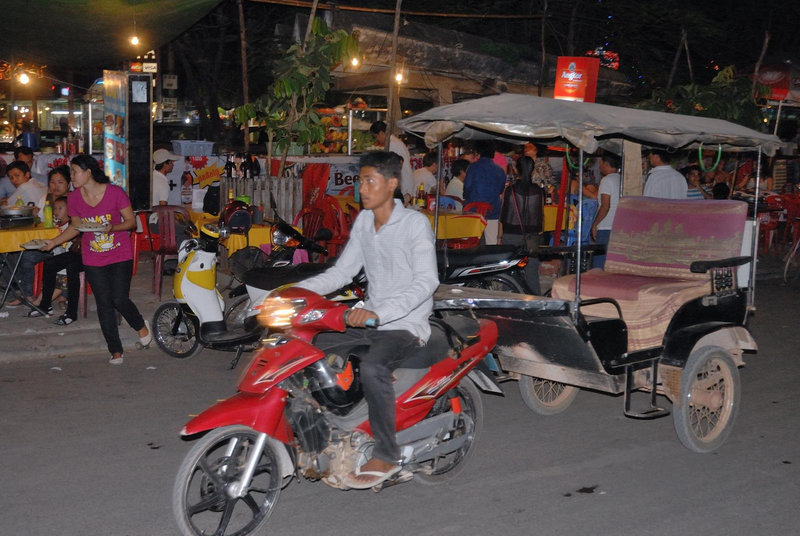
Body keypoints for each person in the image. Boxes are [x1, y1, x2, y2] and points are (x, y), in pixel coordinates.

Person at [298, 151, 438, 489]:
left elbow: (427, 281)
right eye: (360, 180)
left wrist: (380, 313)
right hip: (369, 320)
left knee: (373, 368)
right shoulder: (363, 221)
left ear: (392, 184)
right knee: (308, 347)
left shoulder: (414, 224)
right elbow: (342, 272)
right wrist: (293, 291)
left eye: (369, 180)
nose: (362, 187)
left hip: (405, 324)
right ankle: (329, 424)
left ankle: (387, 454)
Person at [43, 155, 151, 365]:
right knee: (103, 302)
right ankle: (115, 350)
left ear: (88, 172)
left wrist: (112, 227)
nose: (72, 176)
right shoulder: (74, 198)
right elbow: (75, 226)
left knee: (119, 298)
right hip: (92, 256)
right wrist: (53, 243)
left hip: (119, 253)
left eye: (75, 171)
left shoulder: (114, 193)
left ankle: (139, 324)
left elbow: (131, 223)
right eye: (71, 172)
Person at [28, 196, 83, 325]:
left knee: (72, 267)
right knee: (51, 263)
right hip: (77, 251)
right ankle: (45, 305)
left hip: (91, 250)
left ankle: (71, 313)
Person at [497, 155, 543, 293]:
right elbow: (541, 217)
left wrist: (499, 238)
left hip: (511, 235)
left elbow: (502, 216)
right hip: (532, 237)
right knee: (532, 274)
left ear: (516, 170)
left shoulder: (510, 190)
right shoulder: (539, 191)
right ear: (533, 171)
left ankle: (507, 302)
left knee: (509, 271)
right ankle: (536, 302)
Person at [464, 140, 507, 245]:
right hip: (493, 209)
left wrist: (466, 197)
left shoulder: (472, 167)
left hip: (473, 209)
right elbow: (501, 190)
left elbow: (467, 188)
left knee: (470, 241)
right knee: (491, 242)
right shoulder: (500, 170)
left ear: (478, 153)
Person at [590, 154, 622, 268]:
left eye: (601, 163)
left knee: (600, 262)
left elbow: (605, 206)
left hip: (606, 226)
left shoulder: (606, 180)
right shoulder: (621, 179)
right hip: (619, 225)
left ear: (606, 164)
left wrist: (595, 224)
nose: (600, 167)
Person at [369, 121, 413, 202]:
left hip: (403, 185)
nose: (377, 140)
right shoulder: (394, 142)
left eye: (376, 137)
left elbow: (390, 166)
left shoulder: (393, 144)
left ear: (381, 133)